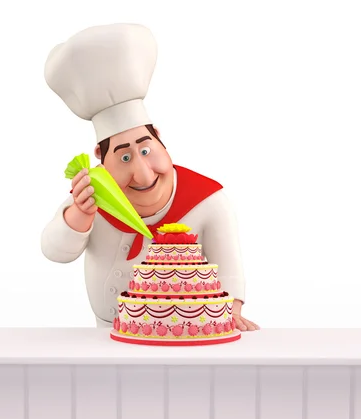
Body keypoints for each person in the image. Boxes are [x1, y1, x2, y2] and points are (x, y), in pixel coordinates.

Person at [41, 24, 258, 332]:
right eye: (124, 158)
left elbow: (228, 269)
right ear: (101, 158)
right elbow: (54, 251)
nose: (142, 174)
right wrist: (79, 215)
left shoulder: (209, 202)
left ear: (158, 137)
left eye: (145, 150)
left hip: (186, 333)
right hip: (105, 336)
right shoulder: (93, 197)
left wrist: (231, 308)